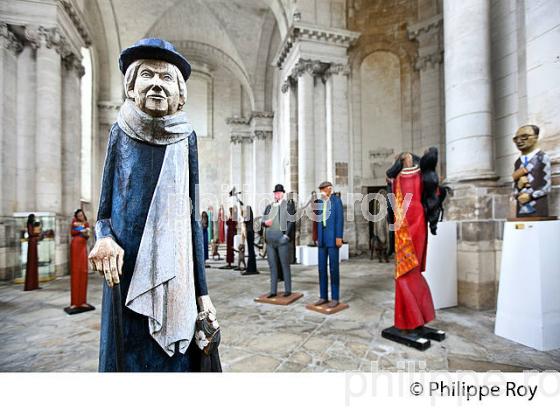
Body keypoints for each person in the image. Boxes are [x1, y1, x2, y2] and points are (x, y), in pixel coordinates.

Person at [88, 38, 220, 372]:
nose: (158, 83)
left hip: (178, 278)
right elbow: (103, 212)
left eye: (167, 78)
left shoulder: (186, 137)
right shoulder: (120, 132)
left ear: (180, 93)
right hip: (127, 275)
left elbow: (193, 222)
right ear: (131, 87)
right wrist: (103, 238)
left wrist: (202, 294)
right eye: (148, 74)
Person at [385, 149, 443, 331]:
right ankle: (413, 319)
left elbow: (434, 195)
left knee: (408, 273)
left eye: (406, 157)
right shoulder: (397, 179)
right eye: (403, 158)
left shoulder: (420, 175)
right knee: (406, 274)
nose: (405, 159)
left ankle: (413, 319)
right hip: (404, 224)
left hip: (414, 223)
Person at [313, 181, 344, 308]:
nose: (321, 192)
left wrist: (339, 237)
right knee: (321, 268)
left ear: (329, 189)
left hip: (332, 239)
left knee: (333, 268)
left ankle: (335, 297)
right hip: (322, 239)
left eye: (323, 189)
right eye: (320, 189)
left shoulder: (336, 201)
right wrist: (316, 237)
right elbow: (316, 222)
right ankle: (323, 296)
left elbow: (339, 220)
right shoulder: (320, 203)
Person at [262, 184, 296, 297]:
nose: (277, 194)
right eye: (275, 193)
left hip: (281, 240)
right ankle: (273, 291)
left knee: (284, 265)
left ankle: (288, 290)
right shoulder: (269, 207)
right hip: (270, 241)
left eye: (279, 193)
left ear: (282, 194)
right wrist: (264, 223)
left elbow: (292, 221)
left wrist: (286, 236)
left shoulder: (287, 206)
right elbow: (263, 220)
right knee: (272, 266)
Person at [512, 124, 552, 217]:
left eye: (524, 137)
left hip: (538, 208)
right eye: (516, 138)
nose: (519, 141)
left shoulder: (542, 158)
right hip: (521, 209)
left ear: (536, 137)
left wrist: (531, 195)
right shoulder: (518, 162)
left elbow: (547, 186)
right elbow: (514, 186)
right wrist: (518, 192)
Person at [69, 209, 92, 310]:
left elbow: (88, 235)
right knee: (75, 273)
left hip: (82, 248)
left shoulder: (86, 223)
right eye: (79, 215)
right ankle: (74, 302)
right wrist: (80, 230)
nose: (80, 216)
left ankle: (82, 301)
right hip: (75, 247)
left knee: (83, 272)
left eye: (82, 214)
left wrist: (85, 232)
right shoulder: (74, 222)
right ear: (76, 216)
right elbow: (72, 232)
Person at [24, 213, 40, 291]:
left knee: (34, 262)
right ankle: (30, 285)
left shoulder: (32, 224)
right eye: (33, 217)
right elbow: (31, 233)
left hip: (34, 242)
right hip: (32, 243)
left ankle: (34, 284)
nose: (34, 219)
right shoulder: (30, 224)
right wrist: (37, 232)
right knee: (31, 262)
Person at [242, 205, 259, 275]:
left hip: (249, 232)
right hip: (251, 232)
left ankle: (250, 269)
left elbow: (244, 221)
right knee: (251, 251)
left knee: (251, 251)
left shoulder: (248, 217)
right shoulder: (250, 217)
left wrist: (242, 216)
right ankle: (253, 268)